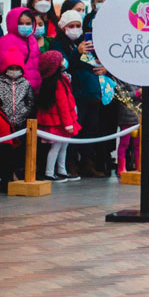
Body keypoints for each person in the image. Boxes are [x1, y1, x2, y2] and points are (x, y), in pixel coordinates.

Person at [50, 10, 107, 178]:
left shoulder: (85, 42)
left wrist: (102, 67)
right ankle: (70, 164)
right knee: (74, 130)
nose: (75, 29)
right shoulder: (58, 44)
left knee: (91, 129)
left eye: (78, 26)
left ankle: (87, 164)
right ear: (63, 27)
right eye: (71, 26)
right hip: (73, 94)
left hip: (92, 93)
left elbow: (89, 65)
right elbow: (64, 65)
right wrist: (77, 53)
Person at [35, 50, 80, 182]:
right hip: (59, 121)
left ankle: (61, 170)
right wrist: (68, 124)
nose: (63, 62)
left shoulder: (60, 80)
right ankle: (50, 172)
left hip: (62, 120)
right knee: (56, 147)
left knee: (62, 146)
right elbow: (63, 105)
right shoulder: (58, 83)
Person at [0, 40, 34, 181]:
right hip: (4, 124)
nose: (13, 70)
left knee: (20, 151)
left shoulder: (25, 83)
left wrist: (24, 112)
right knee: (6, 151)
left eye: (16, 67)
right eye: (11, 67)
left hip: (20, 123)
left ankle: (18, 175)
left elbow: (30, 101)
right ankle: (7, 176)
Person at [0, 8, 41, 88]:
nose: (24, 26)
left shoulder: (32, 40)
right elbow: (2, 68)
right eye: (20, 23)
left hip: (34, 89)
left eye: (28, 23)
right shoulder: (5, 41)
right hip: (15, 90)